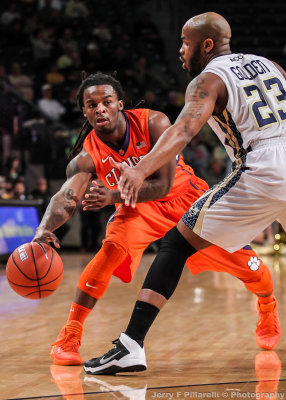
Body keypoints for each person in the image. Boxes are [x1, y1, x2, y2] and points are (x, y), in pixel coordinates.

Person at [32, 72, 279, 369]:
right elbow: (66, 197)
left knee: (248, 267)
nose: (100, 109)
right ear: (84, 110)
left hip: (184, 198)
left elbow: (162, 186)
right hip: (138, 208)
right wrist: (44, 228)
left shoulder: (154, 123)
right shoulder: (87, 155)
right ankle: (70, 334)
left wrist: (111, 197)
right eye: (92, 104)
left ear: (119, 104)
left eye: (106, 102)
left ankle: (267, 305)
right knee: (109, 251)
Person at [83, 12, 285, 375]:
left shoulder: (207, 79)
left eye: (185, 42)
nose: (180, 50)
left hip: (263, 167)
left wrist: (139, 168)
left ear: (206, 45)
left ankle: (131, 346)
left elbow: (182, 130)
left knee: (176, 245)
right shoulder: (270, 65)